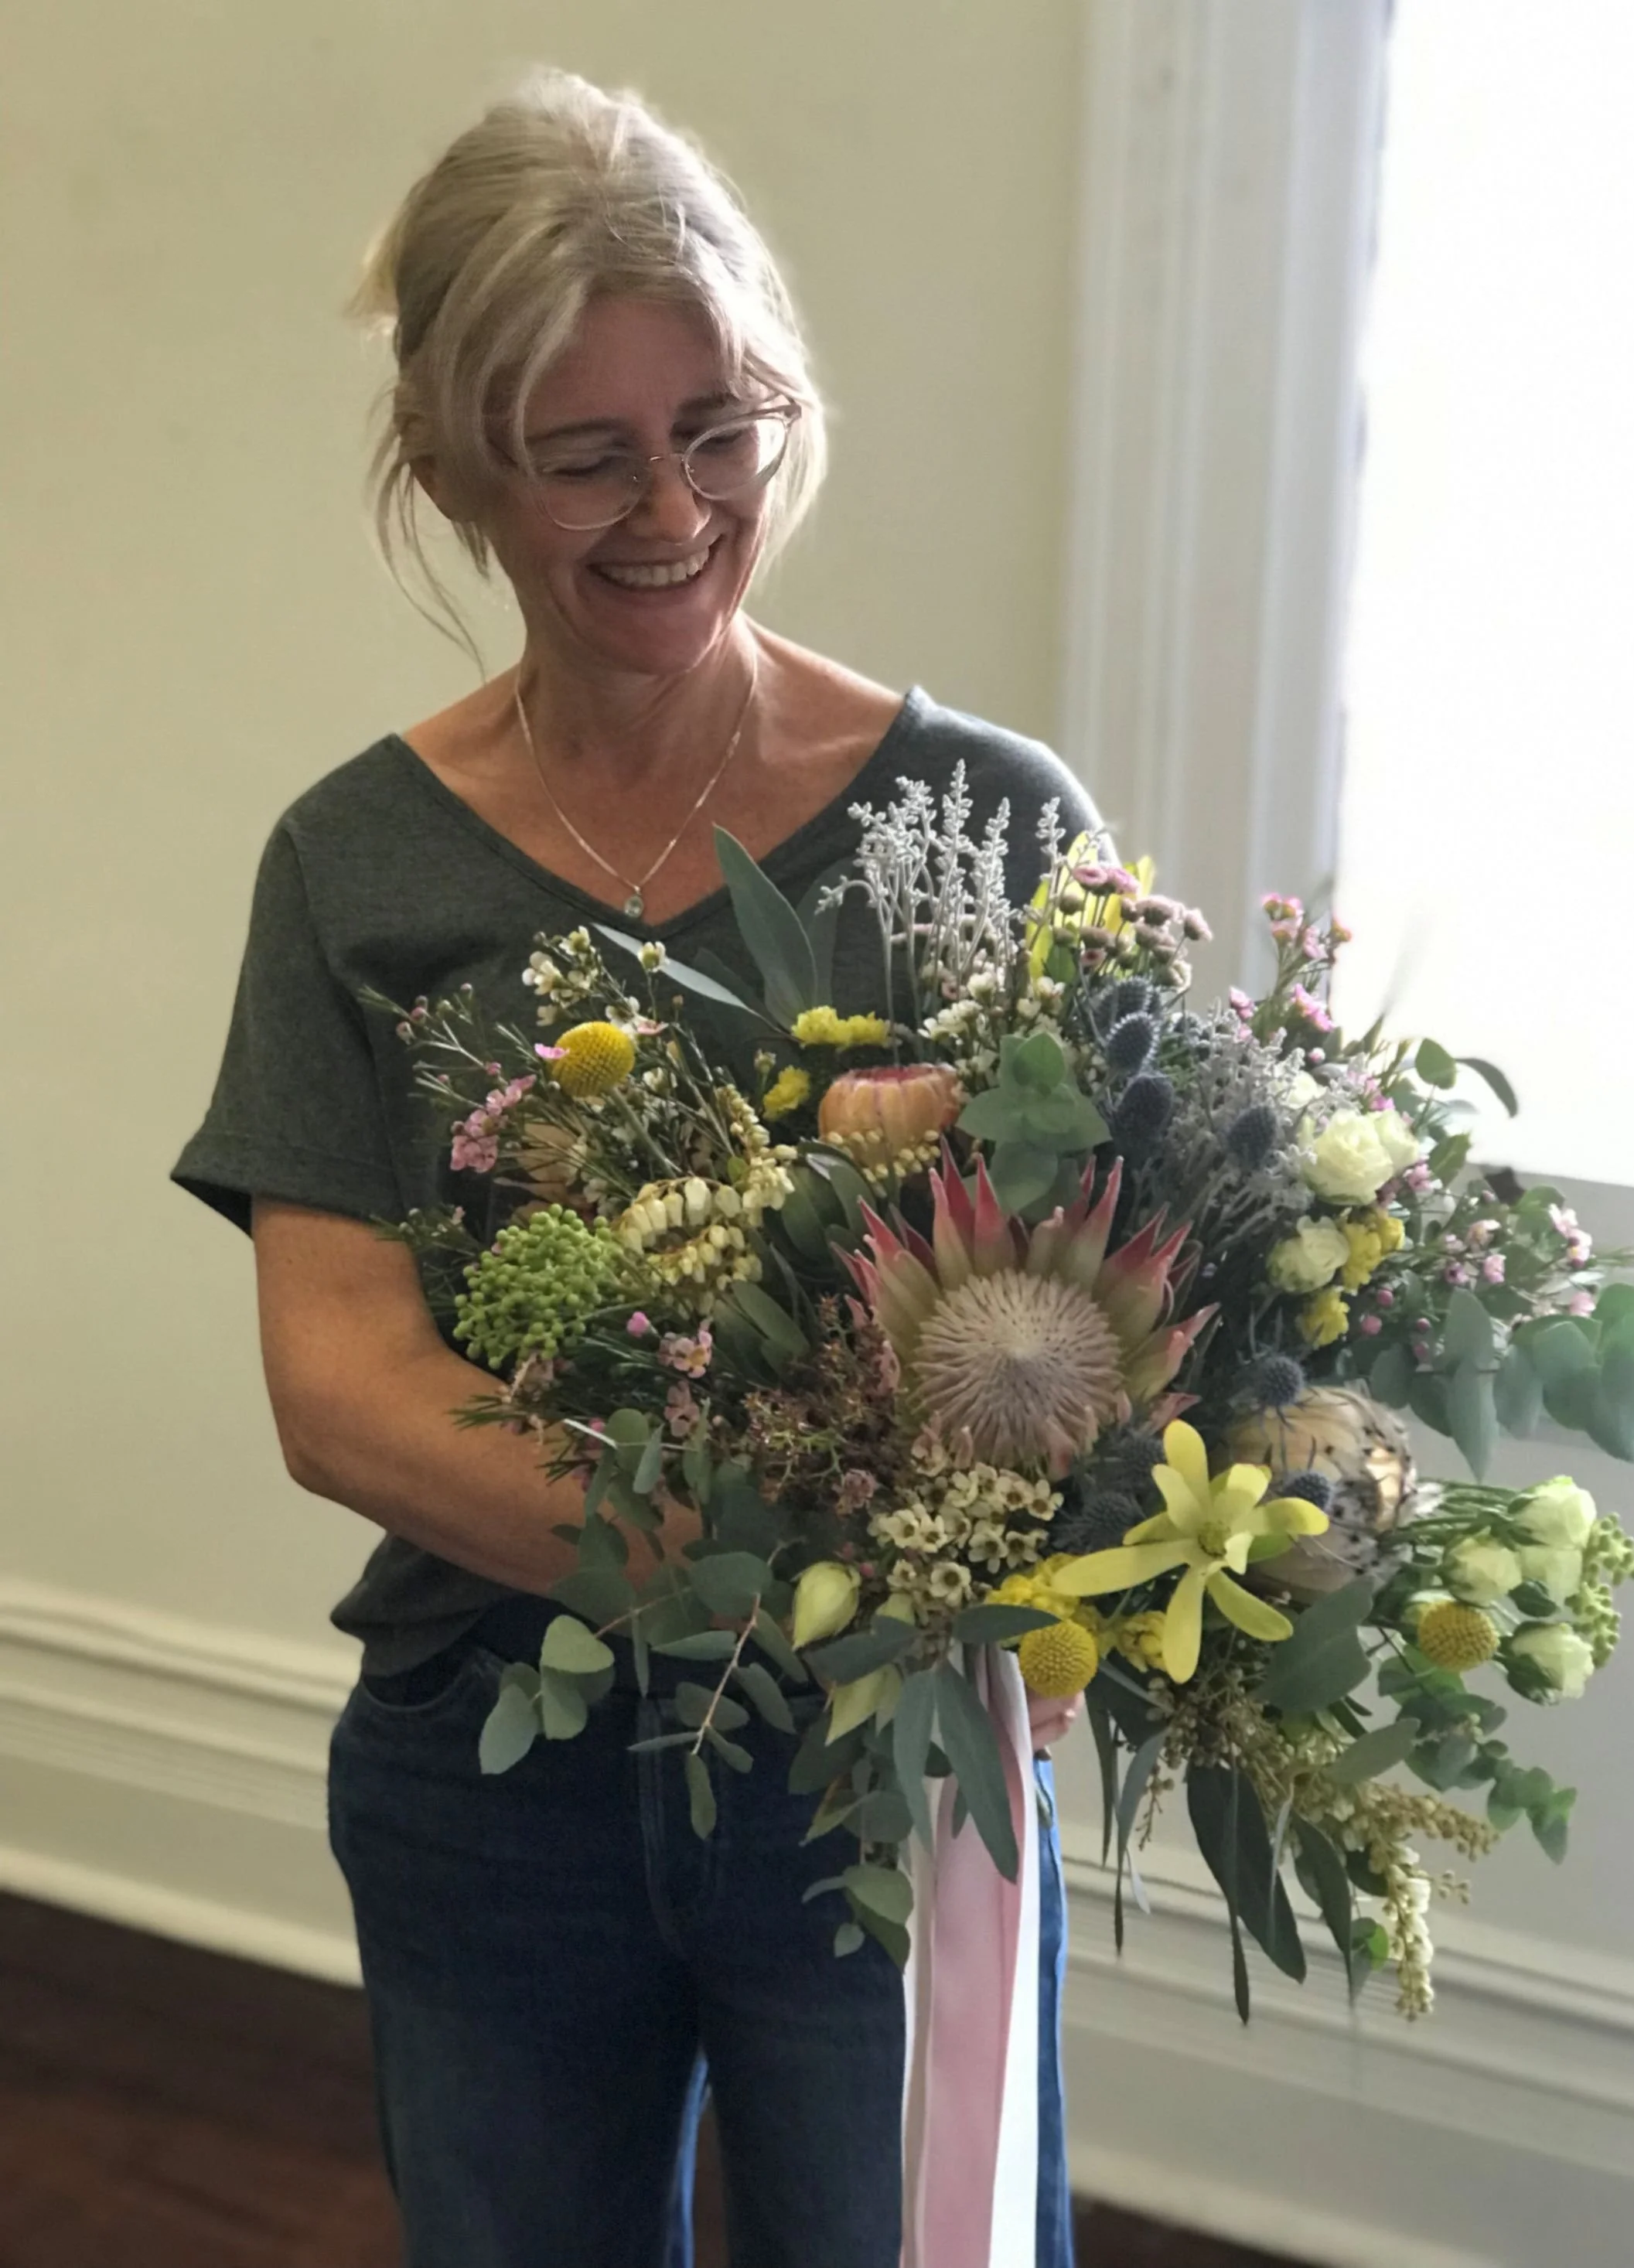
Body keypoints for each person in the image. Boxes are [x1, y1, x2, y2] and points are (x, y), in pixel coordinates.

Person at [173, 67, 1095, 2268]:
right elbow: (342, 1388)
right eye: (585, 456)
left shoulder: (983, 827)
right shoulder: (356, 865)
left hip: (873, 1776)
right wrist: (784, 1555)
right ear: (452, 468)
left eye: (721, 430)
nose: (672, 507)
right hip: (493, 1774)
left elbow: (1094, 1317)